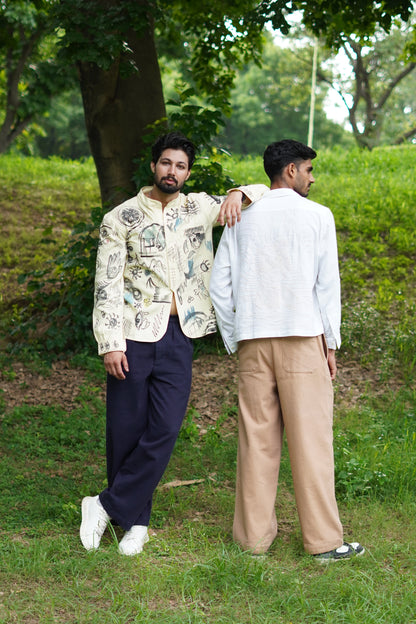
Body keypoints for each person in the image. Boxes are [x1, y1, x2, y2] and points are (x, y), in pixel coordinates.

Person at [80, 131, 267, 556]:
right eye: (166, 163)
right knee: (126, 430)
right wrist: (110, 342)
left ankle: (104, 504)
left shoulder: (200, 207)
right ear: (153, 166)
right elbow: (106, 285)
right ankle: (136, 524)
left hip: (181, 335)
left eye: (181, 166)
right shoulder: (120, 218)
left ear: (187, 172)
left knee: (164, 428)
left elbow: (263, 193)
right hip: (131, 336)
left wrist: (238, 192)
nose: (173, 171)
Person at [209, 139, 364, 563]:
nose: (313, 178)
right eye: (309, 170)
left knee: (256, 441)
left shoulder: (242, 216)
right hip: (301, 339)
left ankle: (251, 543)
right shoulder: (318, 216)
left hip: (253, 340)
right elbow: (327, 287)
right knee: (311, 442)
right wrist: (330, 343)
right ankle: (324, 542)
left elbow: (219, 284)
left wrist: (233, 335)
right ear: (291, 171)